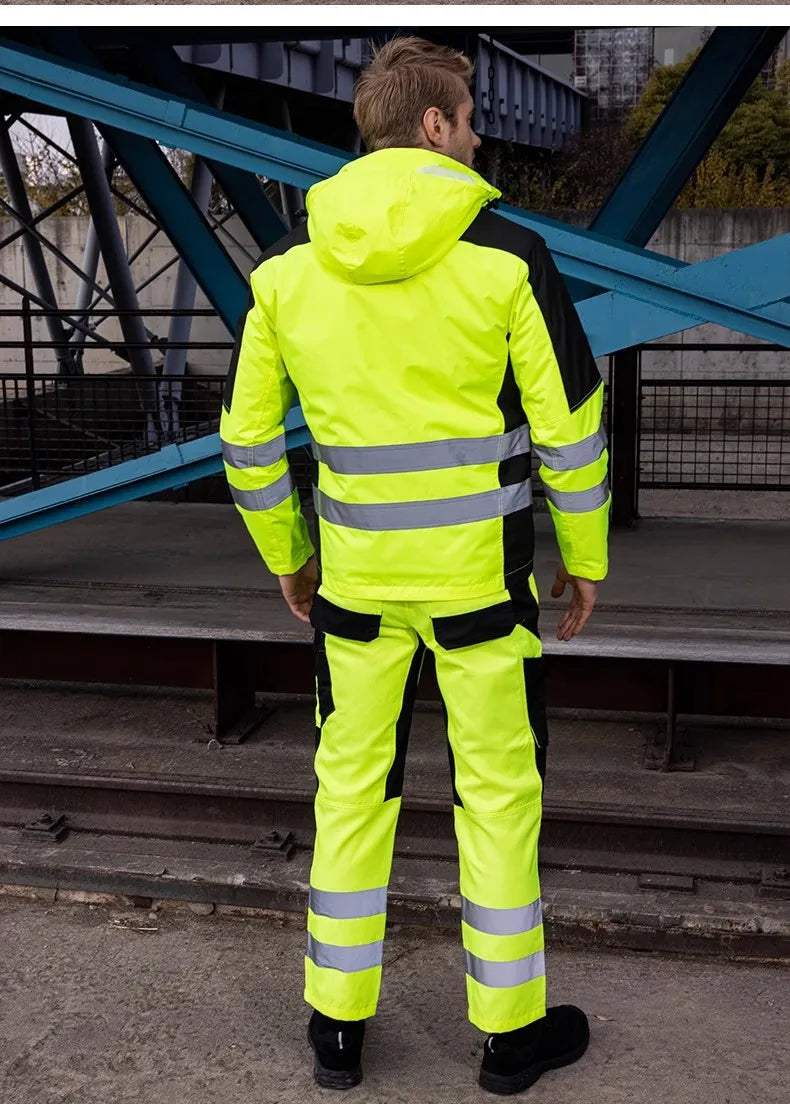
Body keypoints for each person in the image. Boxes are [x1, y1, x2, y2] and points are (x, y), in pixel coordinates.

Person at [219, 35, 609, 1096]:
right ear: (434, 126)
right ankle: (508, 1038)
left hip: (352, 592)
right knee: (497, 799)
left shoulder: (287, 276)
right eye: (471, 116)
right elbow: (569, 426)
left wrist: (289, 556)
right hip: (481, 590)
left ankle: (335, 1034)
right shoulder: (509, 256)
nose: (480, 134)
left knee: (348, 796)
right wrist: (585, 558)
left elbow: (249, 444)